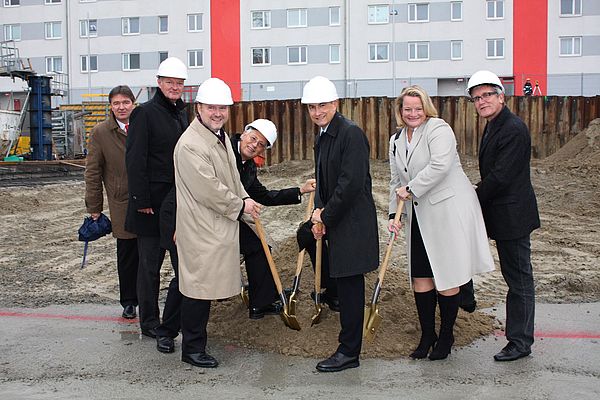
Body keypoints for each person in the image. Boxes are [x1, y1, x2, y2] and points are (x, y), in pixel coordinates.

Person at [389, 85, 495, 361]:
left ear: (426, 108)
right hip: (419, 215)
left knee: (446, 275)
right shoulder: (396, 140)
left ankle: (446, 335)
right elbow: (395, 180)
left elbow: (440, 166)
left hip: (446, 211)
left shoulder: (438, 129)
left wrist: (410, 189)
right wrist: (393, 215)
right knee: (421, 277)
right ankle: (428, 335)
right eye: (407, 109)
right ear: (400, 111)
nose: (413, 113)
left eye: (418, 108)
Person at [174, 78, 261, 368]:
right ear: (198, 108)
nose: (217, 113)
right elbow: (208, 188)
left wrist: (245, 197)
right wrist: (239, 205)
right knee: (197, 288)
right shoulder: (191, 145)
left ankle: (180, 336)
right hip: (201, 227)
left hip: (216, 224)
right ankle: (192, 349)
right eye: (211, 107)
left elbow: (233, 178)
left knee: (200, 285)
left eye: (222, 108)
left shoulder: (219, 137)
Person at [301, 76, 379, 373]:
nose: (317, 112)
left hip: (353, 223)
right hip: (336, 220)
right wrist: (318, 215)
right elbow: (324, 181)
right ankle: (348, 348)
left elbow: (350, 185)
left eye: (322, 105)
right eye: (311, 107)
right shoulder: (323, 135)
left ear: (335, 103)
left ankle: (349, 352)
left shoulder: (350, 134)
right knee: (345, 286)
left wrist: (326, 216)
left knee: (350, 287)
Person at [467, 70, 540, 362]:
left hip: (513, 216)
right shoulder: (494, 125)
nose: (482, 101)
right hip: (501, 213)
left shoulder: (512, 128)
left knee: (519, 279)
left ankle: (520, 342)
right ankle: (466, 298)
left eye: (487, 95)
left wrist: (472, 195)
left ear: (501, 96)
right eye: (476, 98)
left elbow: (501, 176)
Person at [125, 57, 190, 338]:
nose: (174, 87)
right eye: (170, 82)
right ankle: (149, 321)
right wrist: (141, 201)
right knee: (150, 268)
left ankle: (177, 319)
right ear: (159, 83)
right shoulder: (144, 113)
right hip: (151, 205)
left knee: (180, 265)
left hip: (176, 205)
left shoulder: (182, 115)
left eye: (179, 83)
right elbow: (135, 159)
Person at [231, 119, 316, 319]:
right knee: (256, 246)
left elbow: (264, 196)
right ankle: (261, 300)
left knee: (260, 246)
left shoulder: (248, 166)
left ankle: (263, 299)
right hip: (212, 219)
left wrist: (300, 190)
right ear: (244, 133)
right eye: (253, 138)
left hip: (230, 217)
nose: (254, 145)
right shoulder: (225, 151)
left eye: (261, 144)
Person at [84, 85, 138, 320]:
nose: (121, 107)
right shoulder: (101, 132)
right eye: (116, 103)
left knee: (149, 253)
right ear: (110, 106)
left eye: (125, 102)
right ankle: (129, 301)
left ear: (133, 103)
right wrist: (94, 207)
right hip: (121, 201)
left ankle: (147, 298)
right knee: (127, 253)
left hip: (149, 198)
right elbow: (92, 171)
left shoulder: (143, 126)